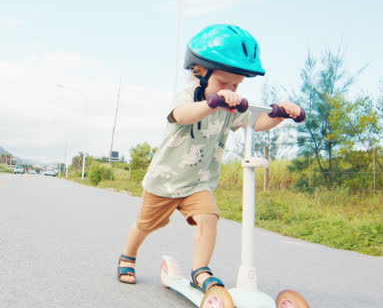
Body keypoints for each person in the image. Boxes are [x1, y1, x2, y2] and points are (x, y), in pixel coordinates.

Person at [116, 24, 302, 292]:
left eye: (236, 84)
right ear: (200, 73)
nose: (231, 89)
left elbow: (256, 123)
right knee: (145, 225)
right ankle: (128, 256)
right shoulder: (187, 98)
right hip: (165, 181)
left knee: (209, 217)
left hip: (198, 182)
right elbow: (181, 115)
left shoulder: (232, 106)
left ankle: (200, 270)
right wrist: (212, 103)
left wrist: (281, 114)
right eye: (223, 82)